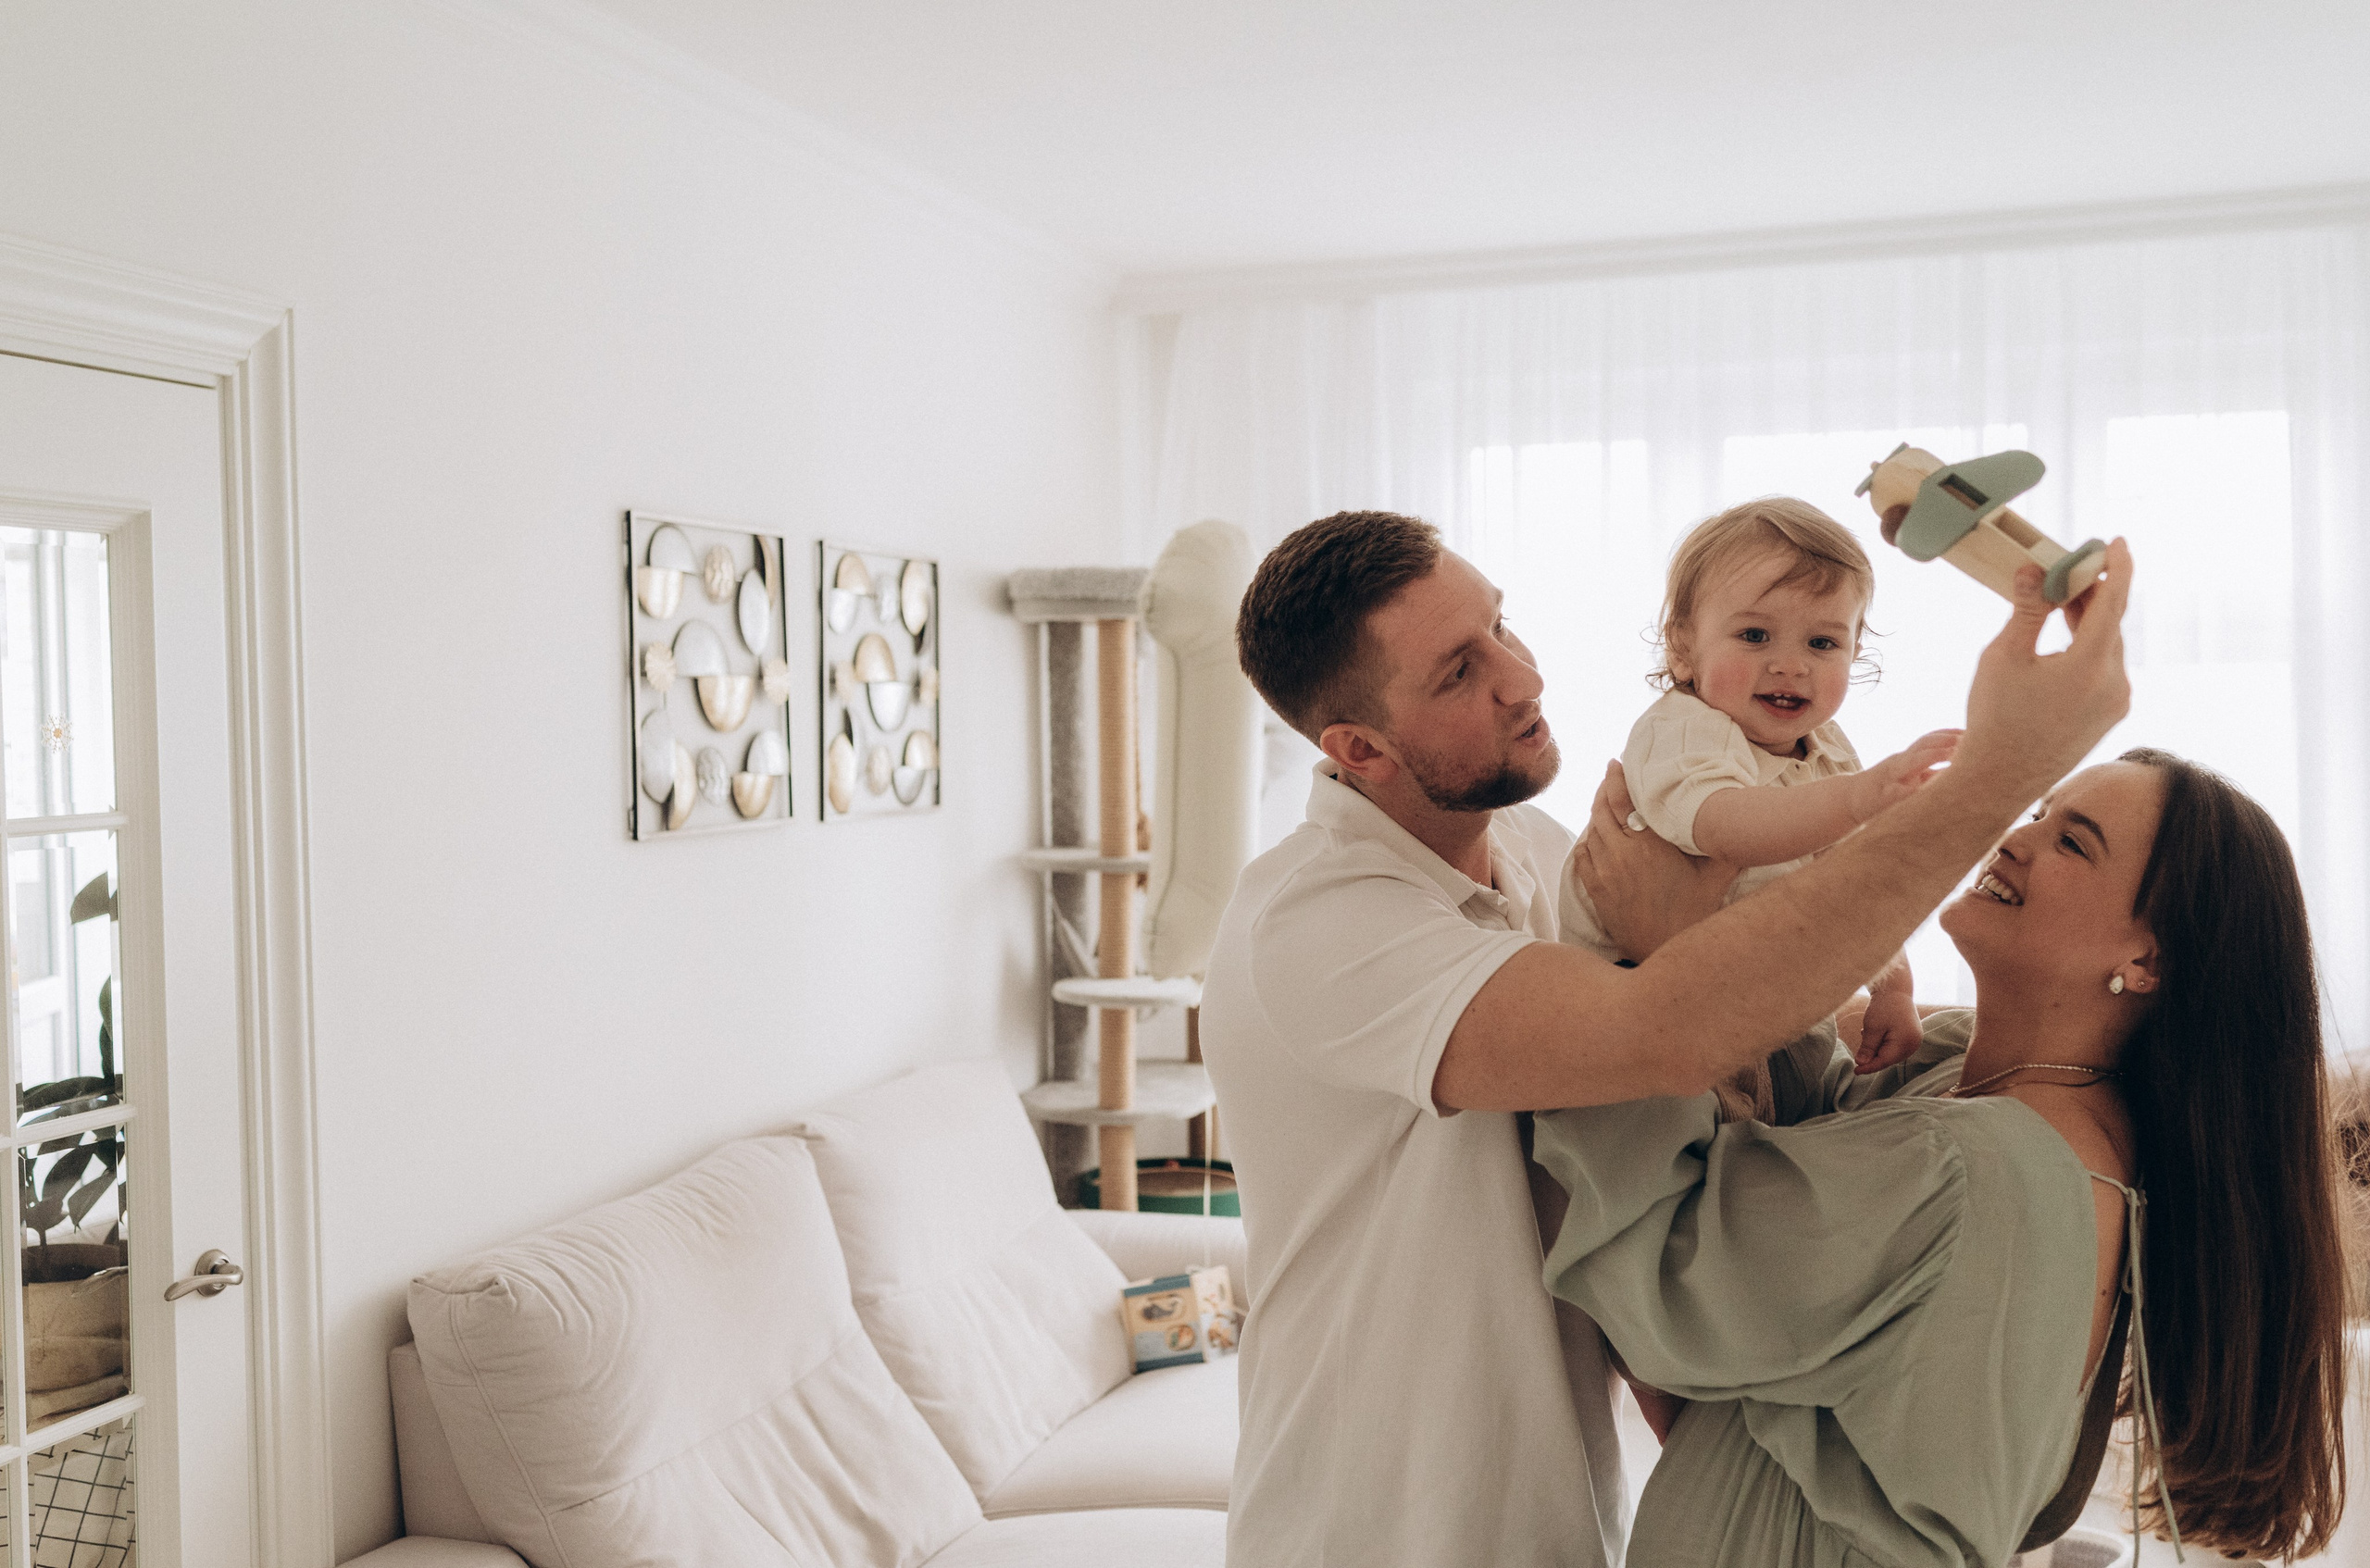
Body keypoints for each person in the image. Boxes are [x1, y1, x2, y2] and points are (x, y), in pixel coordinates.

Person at [1200, 508, 2132, 1568]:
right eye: (1461, 670)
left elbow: (1663, 1126)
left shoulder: (1539, 848)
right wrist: (1997, 771)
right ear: (1359, 748)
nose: (1522, 679)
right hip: (1374, 1528)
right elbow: (1669, 1034)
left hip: (1560, 1510)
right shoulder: (1318, 925)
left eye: (1502, 626)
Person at [1539, 750, 2351, 1565]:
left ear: (2146, 963)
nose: (2015, 840)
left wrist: (1650, 963)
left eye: (2074, 843)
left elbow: (1664, 1264)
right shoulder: (1988, 1084)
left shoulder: (1965, 1169)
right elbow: (1801, 1112)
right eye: (2037, 811)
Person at [1558, 497, 1958, 1079]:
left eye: (1822, 643)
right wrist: (1854, 801)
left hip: (1750, 999)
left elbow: (1857, 876)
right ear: (1683, 648)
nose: (1790, 665)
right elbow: (1726, 827)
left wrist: (1894, 990)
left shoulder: (1828, 746)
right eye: (1754, 635)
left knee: (1805, 1087)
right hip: (1626, 1005)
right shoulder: (1686, 731)